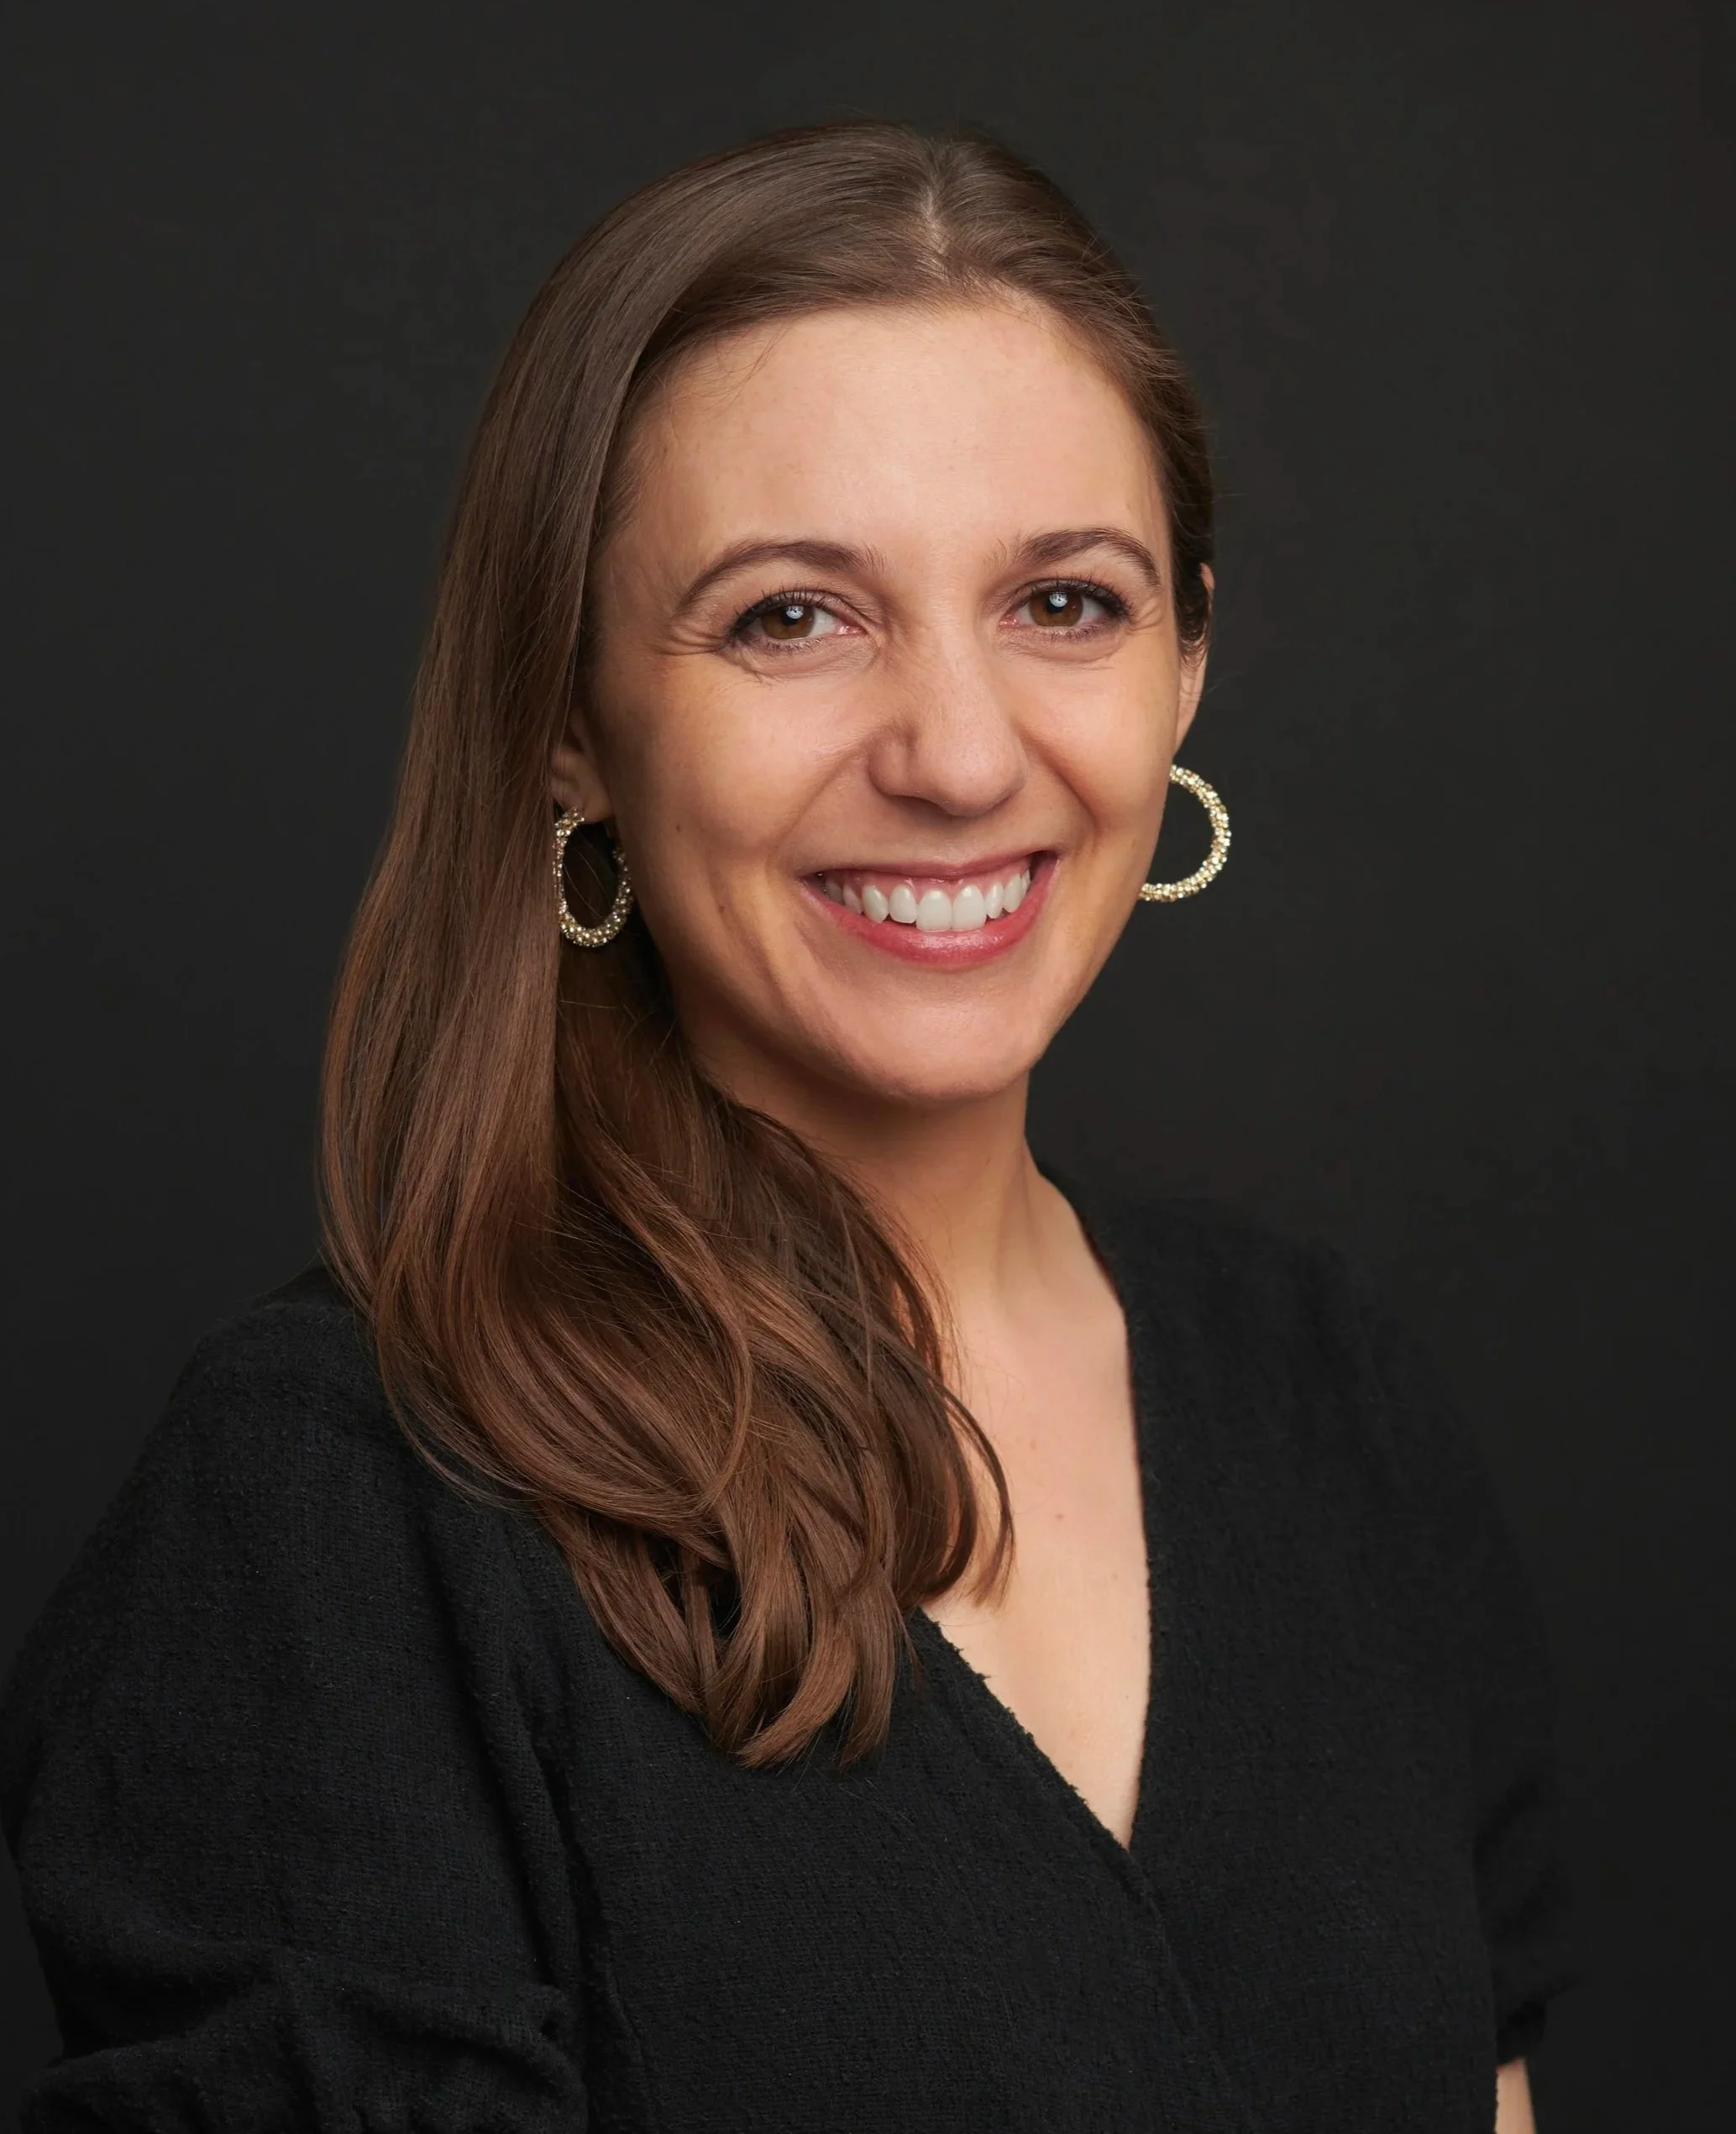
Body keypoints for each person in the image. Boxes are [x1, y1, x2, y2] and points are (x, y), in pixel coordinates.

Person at [0, 122, 1576, 2131]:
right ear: (568, 719)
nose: (955, 749)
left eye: (1064, 604)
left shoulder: (1324, 1394)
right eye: (788, 618)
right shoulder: (337, 1509)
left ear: (1188, 655)